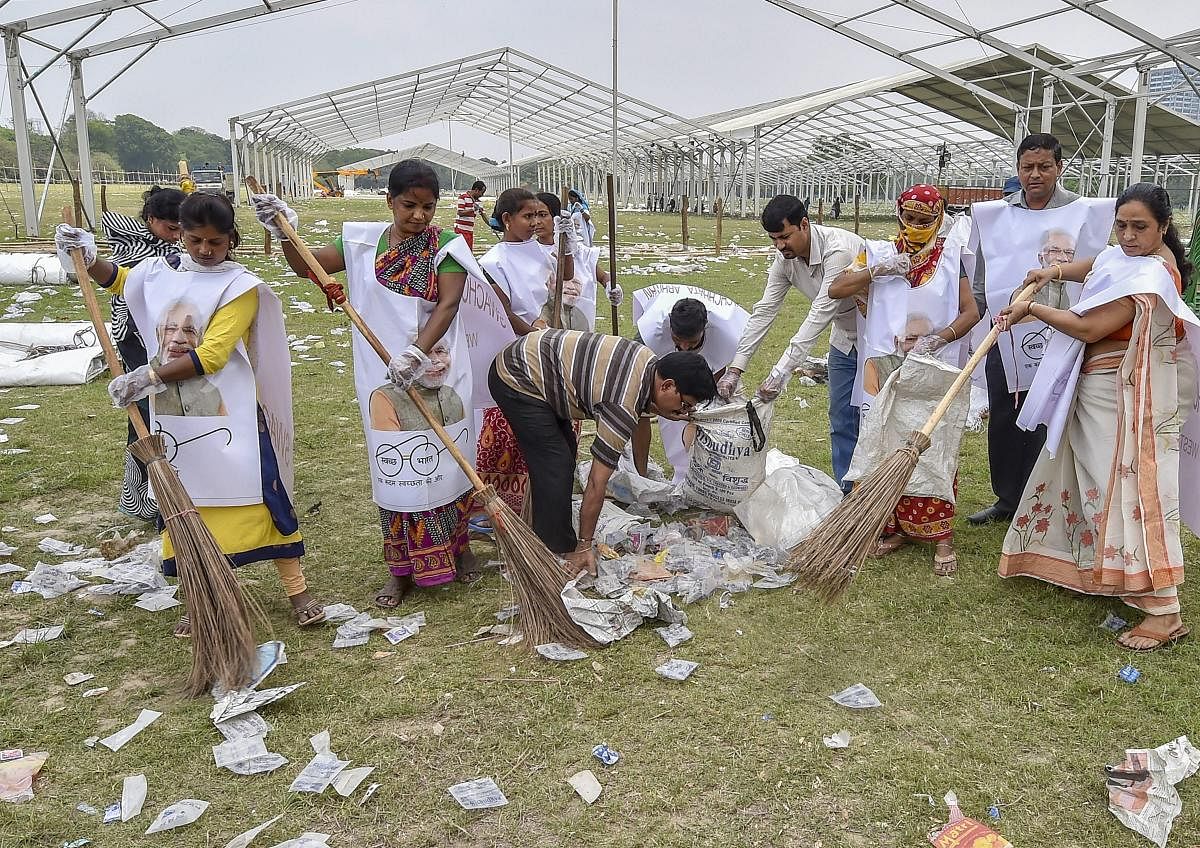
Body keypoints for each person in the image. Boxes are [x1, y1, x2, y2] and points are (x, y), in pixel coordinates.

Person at [56, 193, 324, 635]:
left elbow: (214, 355)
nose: (204, 250)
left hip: (228, 416)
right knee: (185, 506)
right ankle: (201, 597)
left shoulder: (239, 286)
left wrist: (147, 377)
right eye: (195, 239)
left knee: (261, 501)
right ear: (180, 234)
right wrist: (85, 255)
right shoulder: (160, 273)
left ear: (232, 240)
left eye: (215, 243)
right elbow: (121, 282)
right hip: (174, 420)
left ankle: (298, 592)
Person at [255, 159, 479, 606]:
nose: (418, 216)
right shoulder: (360, 241)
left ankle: (457, 549)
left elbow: (449, 304)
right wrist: (285, 231)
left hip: (435, 369)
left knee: (447, 464)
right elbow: (309, 268)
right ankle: (400, 568)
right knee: (395, 464)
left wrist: (416, 352)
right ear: (389, 200)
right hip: (380, 377)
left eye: (428, 207)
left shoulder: (448, 245)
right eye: (409, 205)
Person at [996, 183, 1198, 651]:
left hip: (1127, 392)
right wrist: (1055, 271)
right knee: (1089, 476)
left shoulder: (1153, 276)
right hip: (1098, 383)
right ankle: (1096, 567)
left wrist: (1032, 308)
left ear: (1163, 227)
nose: (1127, 236)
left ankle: (1164, 610)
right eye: (1121, 225)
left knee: (1131, 488)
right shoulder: (1127, 257)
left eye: (1139, 227)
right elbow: (1101, 262)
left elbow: (1090, 326)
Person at [829, 184, 979, 575]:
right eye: (908, 219)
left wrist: (941, 337)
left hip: (932, 366)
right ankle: (891, 526)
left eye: (924, 221)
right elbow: (836, 288)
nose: (914, 227)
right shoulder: (877, 252)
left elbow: (970, 311)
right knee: (882, 442)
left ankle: (939, 534)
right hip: (883, 365)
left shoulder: (950, 257)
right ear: (898, 214)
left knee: (934, 442)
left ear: (938, 220)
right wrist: (875, 271)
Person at [490, 329, 717, 573]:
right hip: (516, 376)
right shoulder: (621, 404)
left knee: (562, 457)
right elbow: (597, 482)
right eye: (684, 404)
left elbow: (640, 401)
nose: (683, 410)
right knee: (555, 464)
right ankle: (554, 552)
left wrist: (663, 410)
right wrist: (585, 545)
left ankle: (549, 531)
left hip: (541, 366)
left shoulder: (649, 361)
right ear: (668, 386)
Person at [968, 133, 1081, 526]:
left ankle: (1039, 500)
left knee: (1048, 414)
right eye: (1027, 167)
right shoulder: (997, 216)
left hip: (1061, 334)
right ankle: (1006, 498)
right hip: (1008, 332)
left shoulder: (1079, 213)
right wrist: (981, 318)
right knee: (1004, 411)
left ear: (1059, 168)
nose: (1035, 175)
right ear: (1017, 169)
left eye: (1044, 167)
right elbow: (982, 276)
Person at [725, 194, 864, 492]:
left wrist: (781, 372)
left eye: (785, 237)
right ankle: (849, 492)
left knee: (873, 420)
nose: (779, 245)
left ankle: (882, 496)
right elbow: (764, 311)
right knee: (841, 419)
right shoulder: (784, 260)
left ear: (804, 224)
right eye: (774, 239)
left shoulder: (837, 251)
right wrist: (735, 369)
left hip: (876, 338)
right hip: (844, 341)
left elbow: (819, 314)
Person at [101, 185, 186, 522]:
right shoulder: (132, 247)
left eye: (181, 228)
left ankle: (175, 492)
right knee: (146, 415)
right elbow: (122, 281)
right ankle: (144, 499)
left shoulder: (179, 248)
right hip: (137, 338)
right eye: (170, 227)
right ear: (151, 219)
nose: (177, 235)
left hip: (170, 337)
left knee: (173, 410)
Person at [630, 290, 749, 481]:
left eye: (692, 342)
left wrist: (713, 401)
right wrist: (657, 408)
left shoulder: (725, 337)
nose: (685, 347)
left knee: (713, 410)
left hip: (706, 365)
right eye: (678, 340)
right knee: (640, 410)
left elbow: (716, 371)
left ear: (705, 329)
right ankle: (641, 475)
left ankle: (708, 471)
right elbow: (637, 391)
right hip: (662, 364)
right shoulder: (649, 336)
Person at [454, 180, 488, 249]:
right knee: (461, 251)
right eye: (482, 192)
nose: (482, 195)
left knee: (468, 252)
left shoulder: (478, 202)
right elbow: (460, 212)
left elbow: (484, 216)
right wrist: (473, 209)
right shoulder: (463, 197)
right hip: (461, 230)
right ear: (476, 190)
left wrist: (492, 225)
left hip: (470, 231)